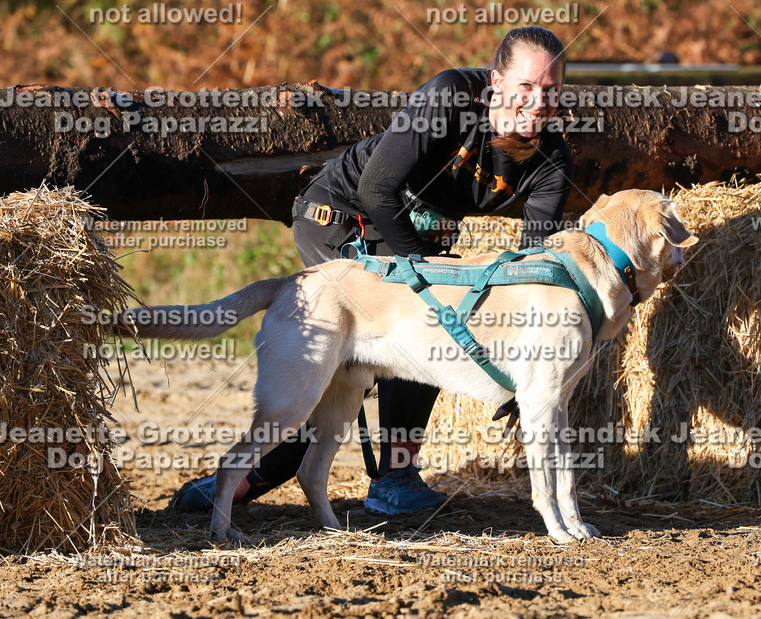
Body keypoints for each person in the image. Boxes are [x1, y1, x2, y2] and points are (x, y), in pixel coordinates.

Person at [170, 26, 573, 515]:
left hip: (409, 235)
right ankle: (254, 479)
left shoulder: (552, 159)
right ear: (495, 80)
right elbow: (377, 189)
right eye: (525, 86)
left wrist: (527, 376)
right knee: (369, 349)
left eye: (549, 90)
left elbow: (528, 270)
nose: (537, 101)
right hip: (342, 215)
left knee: (404, 345)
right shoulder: (450, 96)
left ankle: (376, 478)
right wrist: (421, 280)